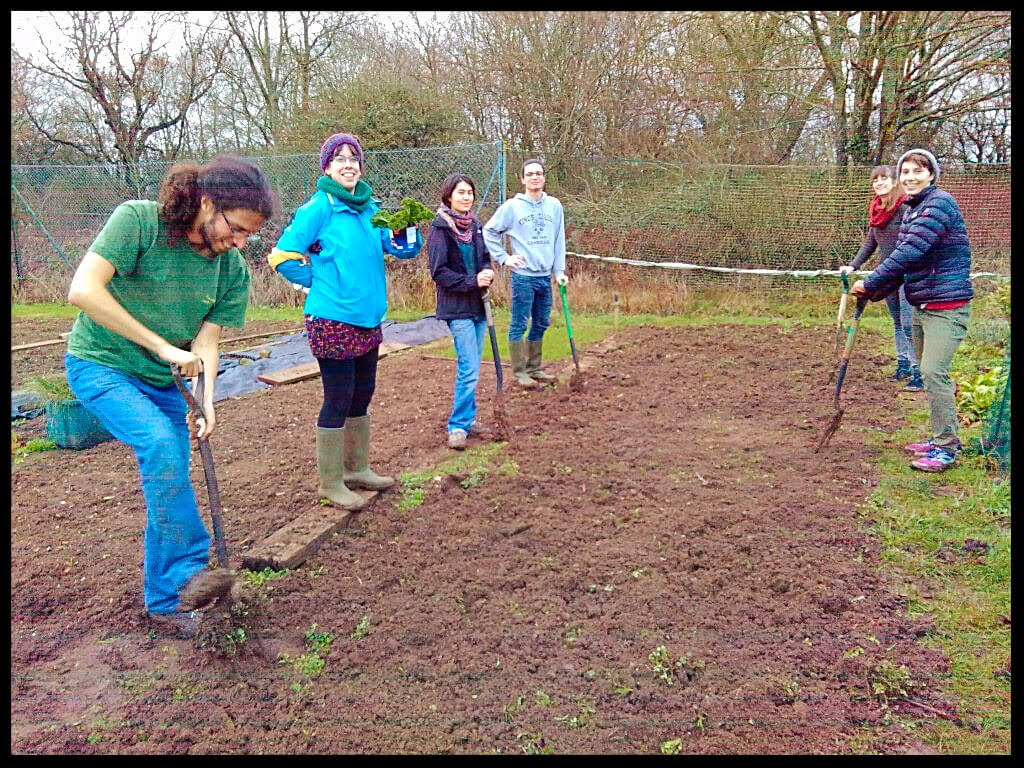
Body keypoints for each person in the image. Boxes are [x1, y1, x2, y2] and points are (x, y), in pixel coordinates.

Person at [64, 156, 276, 637]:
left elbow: (206, 343)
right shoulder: (138, 221)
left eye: (248, 236)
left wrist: (206, 400)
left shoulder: (231, 269)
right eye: (236, 229)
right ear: (207, 202)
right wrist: (158, 344)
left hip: (165, 383)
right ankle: (188, 571)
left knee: (169, 475)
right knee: (160, 447)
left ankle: (164, 603)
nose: (240, 243)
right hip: (101, 365)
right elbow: (83, 290)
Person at [268, 132, 421, 510]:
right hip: (331, 317)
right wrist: (317, 281)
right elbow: (281, 256)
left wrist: (409, 229)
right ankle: (331, 481)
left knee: (362, 392)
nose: (348, 163)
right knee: (338, 396)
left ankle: (358, 468)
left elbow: (402, 249)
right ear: (327, 167)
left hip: (368, 318)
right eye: (339, 158)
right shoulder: (318, 208)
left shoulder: (371, 208)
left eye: (353, 157)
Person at [851, 148, 973, 473]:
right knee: (927, 371)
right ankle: (939, 439)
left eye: (918, 171)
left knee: (933, 372)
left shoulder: (939, 204)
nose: (910, 177)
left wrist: (871, 280)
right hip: (922, 303)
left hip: (947, 307)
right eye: (905, 172)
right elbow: (909, 265)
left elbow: (910, 251)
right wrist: (873, 291)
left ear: (931, 175)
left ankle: (946, 449)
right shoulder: (911, 208)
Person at [483, 158, 567, 388]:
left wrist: (559, 270)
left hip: (544, 277)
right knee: (519, 322)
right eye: (529, 174)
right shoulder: (512, 207)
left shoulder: (554, 206)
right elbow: (489, 231)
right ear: (522, 179)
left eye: (538, 173)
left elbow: (559, 240)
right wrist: (504, 258)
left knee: (541, 322)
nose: (535, 177)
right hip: (523, 277)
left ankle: (535, 368)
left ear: (544, 177)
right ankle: (520, 372)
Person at [427, 173, 495, 450]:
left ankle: (467, 419)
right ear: (449, 196)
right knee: (469, 368)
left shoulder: (475, 226)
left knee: (473, 366)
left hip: (478, 306)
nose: (466, 197)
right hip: (457, 308)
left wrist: (488, 270)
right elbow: (439, 272)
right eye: (461, 193)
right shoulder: (440, 230)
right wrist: (472, 281)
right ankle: (457, 426)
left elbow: (484, 257)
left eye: (470, 192)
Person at [840, 165, 922, 391]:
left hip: (908, 272)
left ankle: (918, 373)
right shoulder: (877, 209)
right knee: (897, 322)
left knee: (908, 323)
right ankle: (903, 365)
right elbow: (871, 242)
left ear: (895, 181)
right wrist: (853, 265)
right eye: (875, 180)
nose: (879, 183)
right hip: (889, 274)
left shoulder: (906, 207)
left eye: (884, 179)